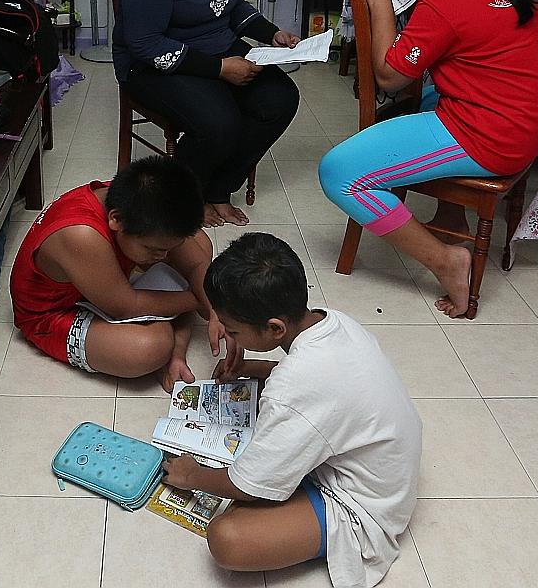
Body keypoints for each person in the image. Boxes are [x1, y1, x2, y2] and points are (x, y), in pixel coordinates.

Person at [317, 0, 538, 318]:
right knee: (433, 93)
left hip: (493, 137)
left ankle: (446, 260)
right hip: (531, 124)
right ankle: (456, 218)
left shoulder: (445, 2)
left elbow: (392, 77)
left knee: (339, 172)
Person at [161, 233, 421, 587]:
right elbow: (326, 389)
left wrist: (191, 475)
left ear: (274, 328)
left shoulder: (294, 389)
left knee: (228, 539)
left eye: (233, 329)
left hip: (365, 505)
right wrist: (257, 369)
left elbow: (248, 484)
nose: (230, 338)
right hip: (385, 464)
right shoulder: (333, 320)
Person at [113, 0, 301, 228]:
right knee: (220, 123)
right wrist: (219, 69)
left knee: (280, 98)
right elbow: (146, 44)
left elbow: (233, 7)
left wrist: (270, 34)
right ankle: (185, 196)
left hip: (215, 51)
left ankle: (218, 189)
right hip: (154, 63)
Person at [9, 155, 224, 387]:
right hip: (53, 314)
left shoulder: (135, 199)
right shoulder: (82, 234)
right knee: (152, 346)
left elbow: (195, 264)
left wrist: (218, 311)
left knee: (200, 245)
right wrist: (202, 301)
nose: (162, 257)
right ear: (116, 220)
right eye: (153, 249)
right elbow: (126, 307)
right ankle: (170, 347)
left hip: (101, 281)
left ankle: (176, 351)